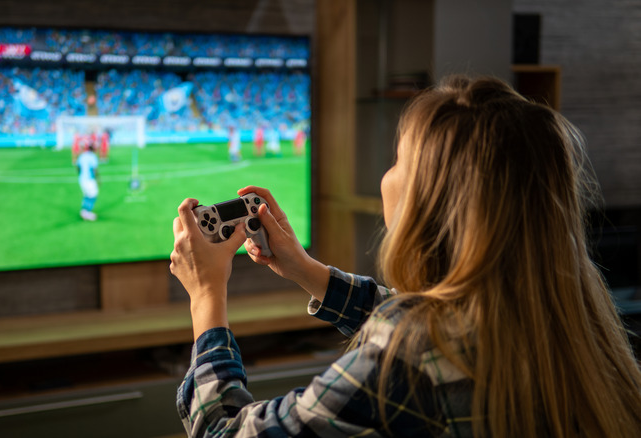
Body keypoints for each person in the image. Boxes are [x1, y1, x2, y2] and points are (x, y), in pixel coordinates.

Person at [169, 76, 641, 437]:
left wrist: (207, 295)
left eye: (397, 159)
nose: (386, 174)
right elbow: (445, 326)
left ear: (430, 199)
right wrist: (307, 271)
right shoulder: (575, 316)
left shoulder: (409, 353)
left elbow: (222, 431)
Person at [76, 143, 99, 221]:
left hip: (81, 179)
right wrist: (97, 179)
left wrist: (80, 175)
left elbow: (78, 167)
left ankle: (84, 211)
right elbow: (94, 169)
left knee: (87, 195)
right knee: (93, 195)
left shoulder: (82, 156)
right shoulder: (93, 156)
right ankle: (87, 212)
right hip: (89, 179)